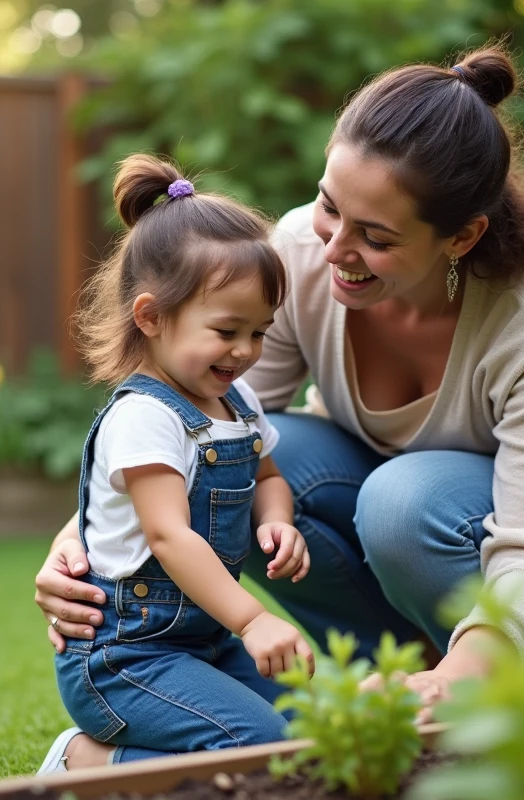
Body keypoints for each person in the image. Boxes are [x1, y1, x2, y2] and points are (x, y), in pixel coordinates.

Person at [35, 46, 524, 768]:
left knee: (405, 502)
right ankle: (417, 687)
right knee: (258, 466)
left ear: (461, 237)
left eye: (376, 237)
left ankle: (480, 674)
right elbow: (208, 420)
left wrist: (473, 664)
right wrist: (78, 537)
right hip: (400, 511)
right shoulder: (298, 253)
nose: (333, 248)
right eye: (330, 207)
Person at [36, 154, 317, 774]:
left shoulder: (234, 401)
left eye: (260, 332)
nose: (245, 351)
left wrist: (278, 521)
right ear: (151, 317)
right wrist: (254, 619)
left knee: (306, 733)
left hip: (201, 643)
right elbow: (167, 535)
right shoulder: (144, 417)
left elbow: (269, 475)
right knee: (251, 744)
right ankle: (85, 763)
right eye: (226, 330)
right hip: (124, 659)